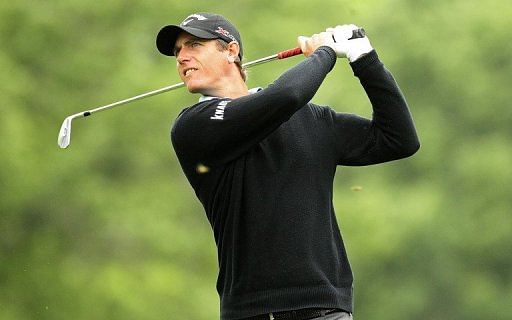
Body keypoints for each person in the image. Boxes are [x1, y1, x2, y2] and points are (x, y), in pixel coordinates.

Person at [156, 12, 419, 320]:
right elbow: (284, 96)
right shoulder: (193, 126)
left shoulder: (313, 119)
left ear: (231, 51)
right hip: (253, 312)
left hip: (327, 310)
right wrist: (325, 53)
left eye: (194, 45)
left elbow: (399, 138)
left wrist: (365, 59)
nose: (182, 58)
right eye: (177, 52)